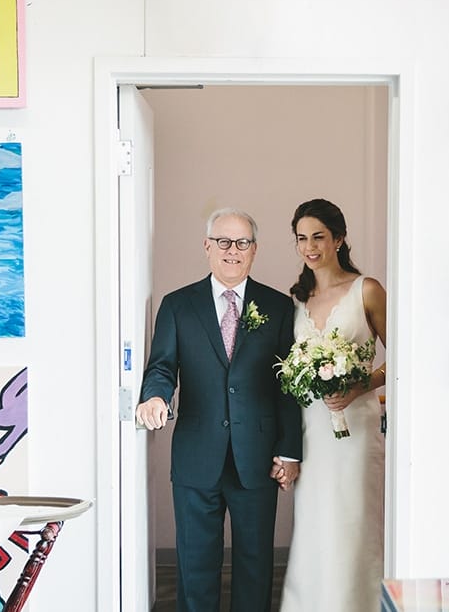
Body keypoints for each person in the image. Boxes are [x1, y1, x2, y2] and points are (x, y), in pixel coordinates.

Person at [135, 207, 302, 612]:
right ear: (207, 247)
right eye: (223, 242)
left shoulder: (279, 307)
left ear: (255, 250)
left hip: (258, 456)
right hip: (196, 452)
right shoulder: (177, 305)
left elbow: (289, 386)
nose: (233, 250)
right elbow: (161, 366)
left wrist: (290, 449)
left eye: (242, 243)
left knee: (255, 562)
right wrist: (154, 396)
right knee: (195, 563)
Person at [279, 198, 387, 612]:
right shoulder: (296, 301)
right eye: (301, 238)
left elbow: (403, 362)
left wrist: (362, 385)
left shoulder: (368, 290)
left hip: (356, 428)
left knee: (354, 523)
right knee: (314, 525)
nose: (310, 246)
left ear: (339, 239)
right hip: (311, 429)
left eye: (319, 236)